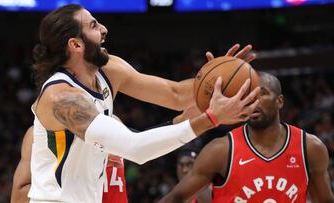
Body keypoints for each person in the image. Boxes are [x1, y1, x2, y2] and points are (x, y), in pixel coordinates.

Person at [29, 4, 260, 202]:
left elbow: (176, 94)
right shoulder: (60, 97)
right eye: (93, 26)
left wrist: (219, 80)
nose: (104, 29)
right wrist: (210, 119)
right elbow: (134, 148)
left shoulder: (109, 71)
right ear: (75, 45)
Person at [160, 72, 334, 203]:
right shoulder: (221, 150)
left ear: (279, 101)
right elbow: (177, 197)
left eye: (262, 93)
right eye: (248, 95)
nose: (254, 101)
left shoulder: (310, 148)